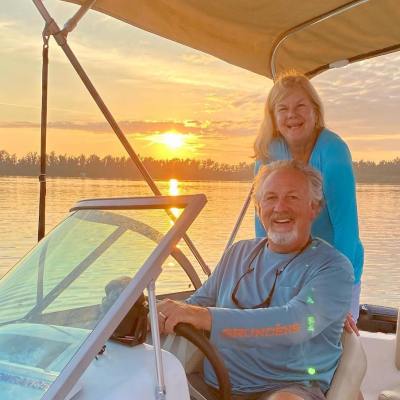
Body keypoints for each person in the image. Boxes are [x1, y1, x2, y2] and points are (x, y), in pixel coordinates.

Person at [157, 161, 354, 400]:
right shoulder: (238, 252)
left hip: (288, 387)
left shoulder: (333, 267)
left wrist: (204, 316)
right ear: (259, 208)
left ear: (314, 208)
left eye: (292, 197)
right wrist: (156, 313)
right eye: (270, 198)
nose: (280, 207)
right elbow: (198, 301)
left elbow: (297, 323)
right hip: (214, 383)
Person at [253, 70, 363, 329]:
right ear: (273, 117)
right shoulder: (268, 153)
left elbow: (346, 228)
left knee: (330, 341)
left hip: (336, 261)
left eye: (301, 106)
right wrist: (260, 278)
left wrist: (338, 291)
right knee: (283, 339)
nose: (292, 115)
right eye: (283, 108)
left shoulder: (333, 152)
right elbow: (263, 225)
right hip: (290, 268)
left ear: (315, 112)